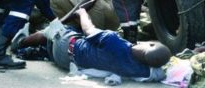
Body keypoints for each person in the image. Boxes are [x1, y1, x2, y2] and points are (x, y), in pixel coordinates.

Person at [12, 8, 170, 81]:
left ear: (149, 45)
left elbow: (89, 29)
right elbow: (158, 73)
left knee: (53, 31)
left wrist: (82, 13)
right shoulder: (139, 70)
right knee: (62, 40)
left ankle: (19, 42)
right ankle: (39, 49)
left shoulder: (113, 41)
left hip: (65, 46)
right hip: (67, 63)